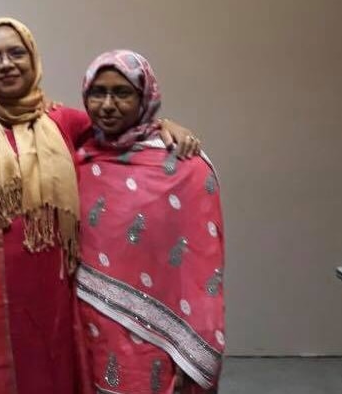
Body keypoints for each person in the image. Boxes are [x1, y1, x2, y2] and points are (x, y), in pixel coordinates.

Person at [0, 18, 200, 394]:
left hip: (53, 299)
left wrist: (164, 125)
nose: (6, 64)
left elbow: (120, 129)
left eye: (16, 53)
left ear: (33, 59)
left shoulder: (62, 121)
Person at [75, 50, 225, 393]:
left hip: (163, 331)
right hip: (90, 319)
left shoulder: (186, 167)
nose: (108, 105)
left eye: (122, 93)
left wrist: (196, 339)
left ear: (145, 97)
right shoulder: (78, 157)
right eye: (98, 93)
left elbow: (204, 265)